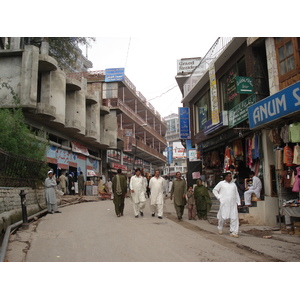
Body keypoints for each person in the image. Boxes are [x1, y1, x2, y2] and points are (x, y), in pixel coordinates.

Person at [213, 172, 241, 238]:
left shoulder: (233, 185)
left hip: (233, 204)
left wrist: (238, 202)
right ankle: (220, 228)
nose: (230, 177)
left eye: (231, 176)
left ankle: (233, 232)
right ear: (225, 177)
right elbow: (214, 190)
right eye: (229, 176)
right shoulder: (221, 184)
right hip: (224, 203)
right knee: (223, 217)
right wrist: (219, 197)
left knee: (234, 218)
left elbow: (236, 194)